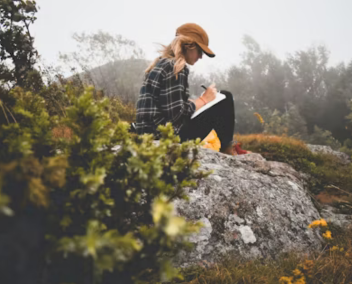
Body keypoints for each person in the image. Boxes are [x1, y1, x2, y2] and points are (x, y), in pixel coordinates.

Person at [135, 23, 237, 155]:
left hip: (149, 135)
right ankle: (227, 149)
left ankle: (227, 148)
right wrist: (203, 100)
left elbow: (168, 109)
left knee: (217, 99)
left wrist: (195, 103)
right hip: (166, 137)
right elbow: (176, 115)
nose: (201, 57)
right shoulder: (176, 67)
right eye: (200, 51)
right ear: (189, 46)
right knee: (225, 97)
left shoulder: (160, 64)